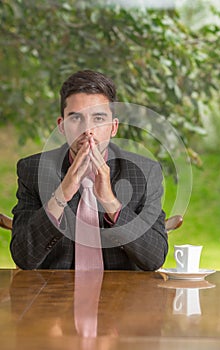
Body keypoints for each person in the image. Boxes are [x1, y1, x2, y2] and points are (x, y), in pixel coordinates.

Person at [10, 70, 168, 270]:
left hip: (121, 296)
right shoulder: (32, 170)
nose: (88, 130)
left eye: (99, 118)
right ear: (62, 126)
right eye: (76, 119)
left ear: (113, 127)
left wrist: (111, 202)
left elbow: (154, 259)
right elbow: (24, 258)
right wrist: (62, 193)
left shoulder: (144, 172)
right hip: (55, 295)